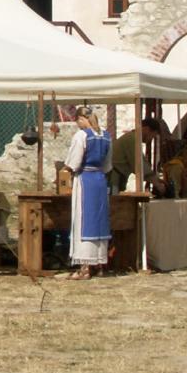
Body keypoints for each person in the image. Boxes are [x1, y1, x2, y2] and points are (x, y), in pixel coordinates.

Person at [63, 109, 112, 278]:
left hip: (85, 180)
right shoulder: (107, 136)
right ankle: (99, 265)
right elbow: (107, 165)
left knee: (83, 220)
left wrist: (64, 171)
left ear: (81, 119)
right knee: (99, 220)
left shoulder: (82, 135)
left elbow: (74, 162)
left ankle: (85, 267)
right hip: (100, 180)